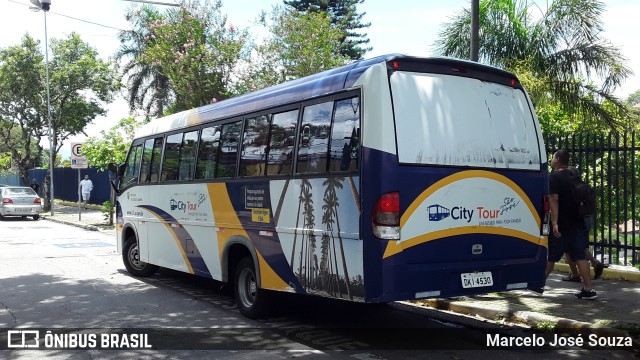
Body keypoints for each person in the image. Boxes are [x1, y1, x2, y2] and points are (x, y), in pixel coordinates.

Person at [544, 150, 597, 299]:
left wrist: (554, 223)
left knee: (551, 257)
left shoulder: (554, 177)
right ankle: (589, 289)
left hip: (562, 224)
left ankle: (539, 284)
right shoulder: (573, 175)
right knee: (580, 256)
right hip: (577, 222)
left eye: (553, 157)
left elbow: (554, 200)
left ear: (558, 159)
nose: (552, 159)